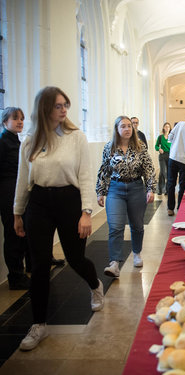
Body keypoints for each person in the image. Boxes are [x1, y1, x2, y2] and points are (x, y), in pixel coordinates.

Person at [13, 86, 104, 351]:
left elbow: (86, 175)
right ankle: (38, 324)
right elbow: (22, 179)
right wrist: (18, 213)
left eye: (66, 105)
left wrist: (87, 212)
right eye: (58, 106)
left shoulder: (76, 137)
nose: (64, 110)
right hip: (38, 203)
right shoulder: (30, 140)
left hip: (68, 200)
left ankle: (95, 284)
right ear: (45, 109)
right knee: (39, 264)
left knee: (75, 258)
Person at [96, 116, 156, 277]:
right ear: (117, 129)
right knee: (115, 226)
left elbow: (148, 169)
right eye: (123, 126)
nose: (127, 129)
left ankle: (136, 253)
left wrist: (151, 189)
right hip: (116, 189)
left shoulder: (140, 147)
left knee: (137, 225)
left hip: (136, 188)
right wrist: (100, 191)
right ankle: (114, 263)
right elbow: (104, 170)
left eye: (129, 126)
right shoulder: (109, 147)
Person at [0, 107, 30, 290]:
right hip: (7, 195)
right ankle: (15, 276)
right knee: (13, 236)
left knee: (20, 235)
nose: (20, 121)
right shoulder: (3, 142)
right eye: (15, 118)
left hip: (17, 193)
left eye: (22, 118)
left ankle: (22, 271)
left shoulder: (16, 141)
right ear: (5, 122)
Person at [155, 122, 171, 195]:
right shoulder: (160, 137)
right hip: (162, 155)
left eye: (168, 127)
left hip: (170, 156)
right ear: (163, 128)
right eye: (166, 127)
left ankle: (167, 190)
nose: (167, 128)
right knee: (162, 171)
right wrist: (159, 149)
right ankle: (160, 189)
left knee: (167, 173)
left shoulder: (171, 137)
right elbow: (156, 146)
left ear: (170, 128)